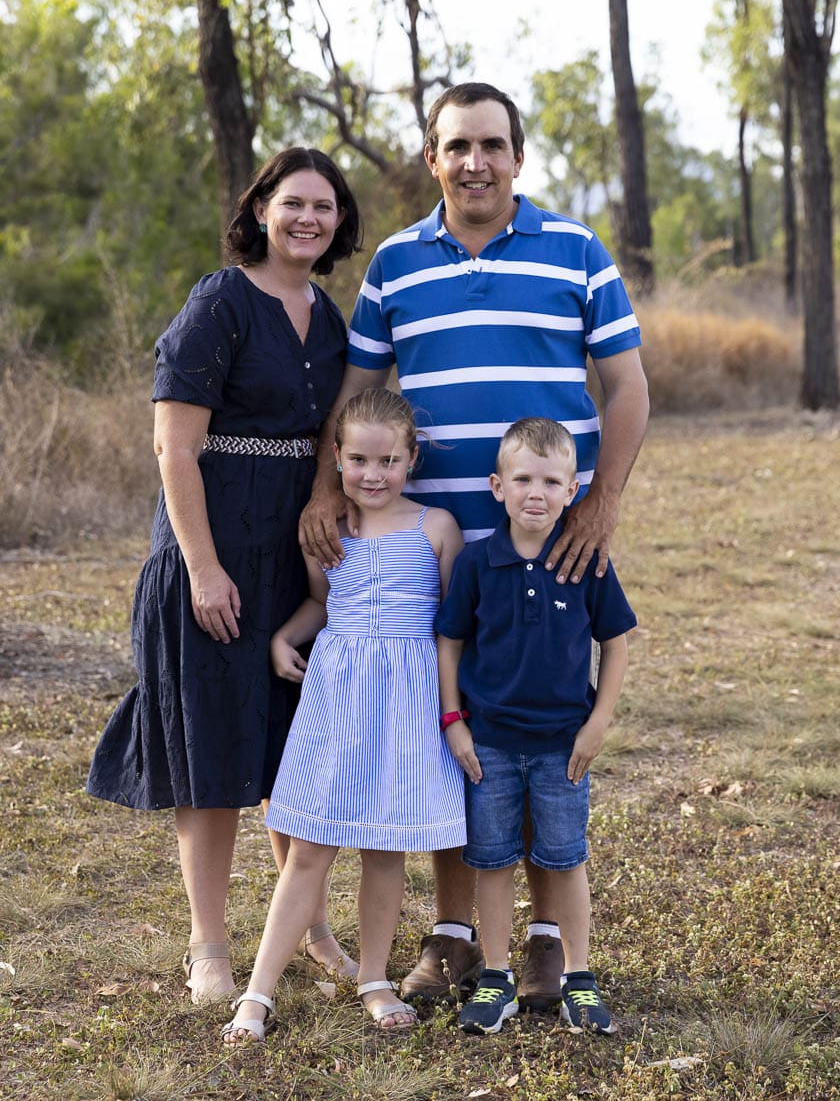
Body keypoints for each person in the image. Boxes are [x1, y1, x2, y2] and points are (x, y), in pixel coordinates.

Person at [298, 81, 649, 1009]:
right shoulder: (397, 264)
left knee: (542, 732)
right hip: (437, 551)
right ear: (433, 159)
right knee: (455, 737)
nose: (476, 162)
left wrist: (600, 505)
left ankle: (546, 942)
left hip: (550, 543)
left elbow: (626, 386)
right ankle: (454, 935)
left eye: (492, 145)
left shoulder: (576, 250)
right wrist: (328, 490)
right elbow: (358, 392)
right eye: (458, 146)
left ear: (518, 157)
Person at [88, 148, 364, 1004]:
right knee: (210, 748)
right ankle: (208, 945)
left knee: (294, 750)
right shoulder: (221, 302)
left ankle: (308, 927)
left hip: (291, 553)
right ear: (261, 210)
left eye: (324, 206)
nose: (308, 218)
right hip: (212, 548)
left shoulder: (330, 318)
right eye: (293, 203)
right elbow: (174, 446)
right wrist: (203, 569)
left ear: (339, 223)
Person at [221, 389, 466, 1042]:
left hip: (407, 703)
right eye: (358, 459)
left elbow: (454, 627)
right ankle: (258, 992)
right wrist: (284, 637)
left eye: (388, 461)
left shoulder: (437, 528)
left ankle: (375, 978)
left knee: (385, 848)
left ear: (412, 460)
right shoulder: (327, 531)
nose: (373, 474)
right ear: (336, 457)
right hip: (339, 697)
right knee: (310, 847)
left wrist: (454, 708)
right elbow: (322, 603)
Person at [436, 418, 635, 1035]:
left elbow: (616, 642)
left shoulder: (586, 562)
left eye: (551, 482)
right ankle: (496, 978)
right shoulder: (476, 563)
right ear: (497, 486)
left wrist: (599, 722)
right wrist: (453, 720)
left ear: (572, 490)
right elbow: (450, 642)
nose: (536, 493)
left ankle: (579, 978)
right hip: (489, 745)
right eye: (522, 479)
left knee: (565, 859)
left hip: (562, 747)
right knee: (493, 859)